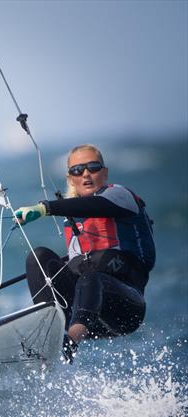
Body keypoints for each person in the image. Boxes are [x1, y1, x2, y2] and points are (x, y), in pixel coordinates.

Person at [14, 144, 155, 355]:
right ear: (70, 178)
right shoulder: (71, 218)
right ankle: (49, 338)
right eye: (77, 170)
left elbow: (96, 205)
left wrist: (45, 208)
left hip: (125, 310)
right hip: (84, 310)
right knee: (39, 257)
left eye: (93, 167)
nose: (86, 174)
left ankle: (69, 342)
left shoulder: (121, 196)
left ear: (104, 172)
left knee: (91, 277)